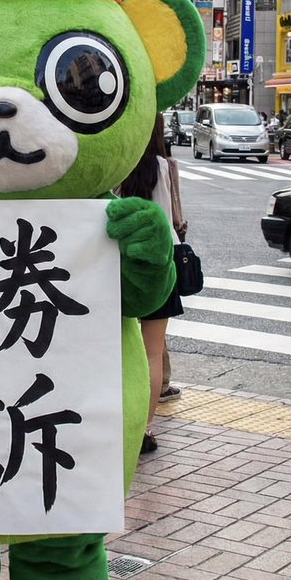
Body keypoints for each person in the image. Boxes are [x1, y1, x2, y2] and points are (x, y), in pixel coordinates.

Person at [118, 113, 183, 454]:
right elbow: (175, 216)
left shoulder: (118, 163)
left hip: (123, 262)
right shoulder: (164, 166)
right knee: (153, 352)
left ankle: (119, 420)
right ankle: (142, 430)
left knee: (122, 348)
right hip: (162, 260)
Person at [159, 146, 187, 405]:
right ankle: (163, 384)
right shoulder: (166, 165)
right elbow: (175, 210)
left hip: (128, 251)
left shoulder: (127, 166)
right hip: (166, 248)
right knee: (156, 335)